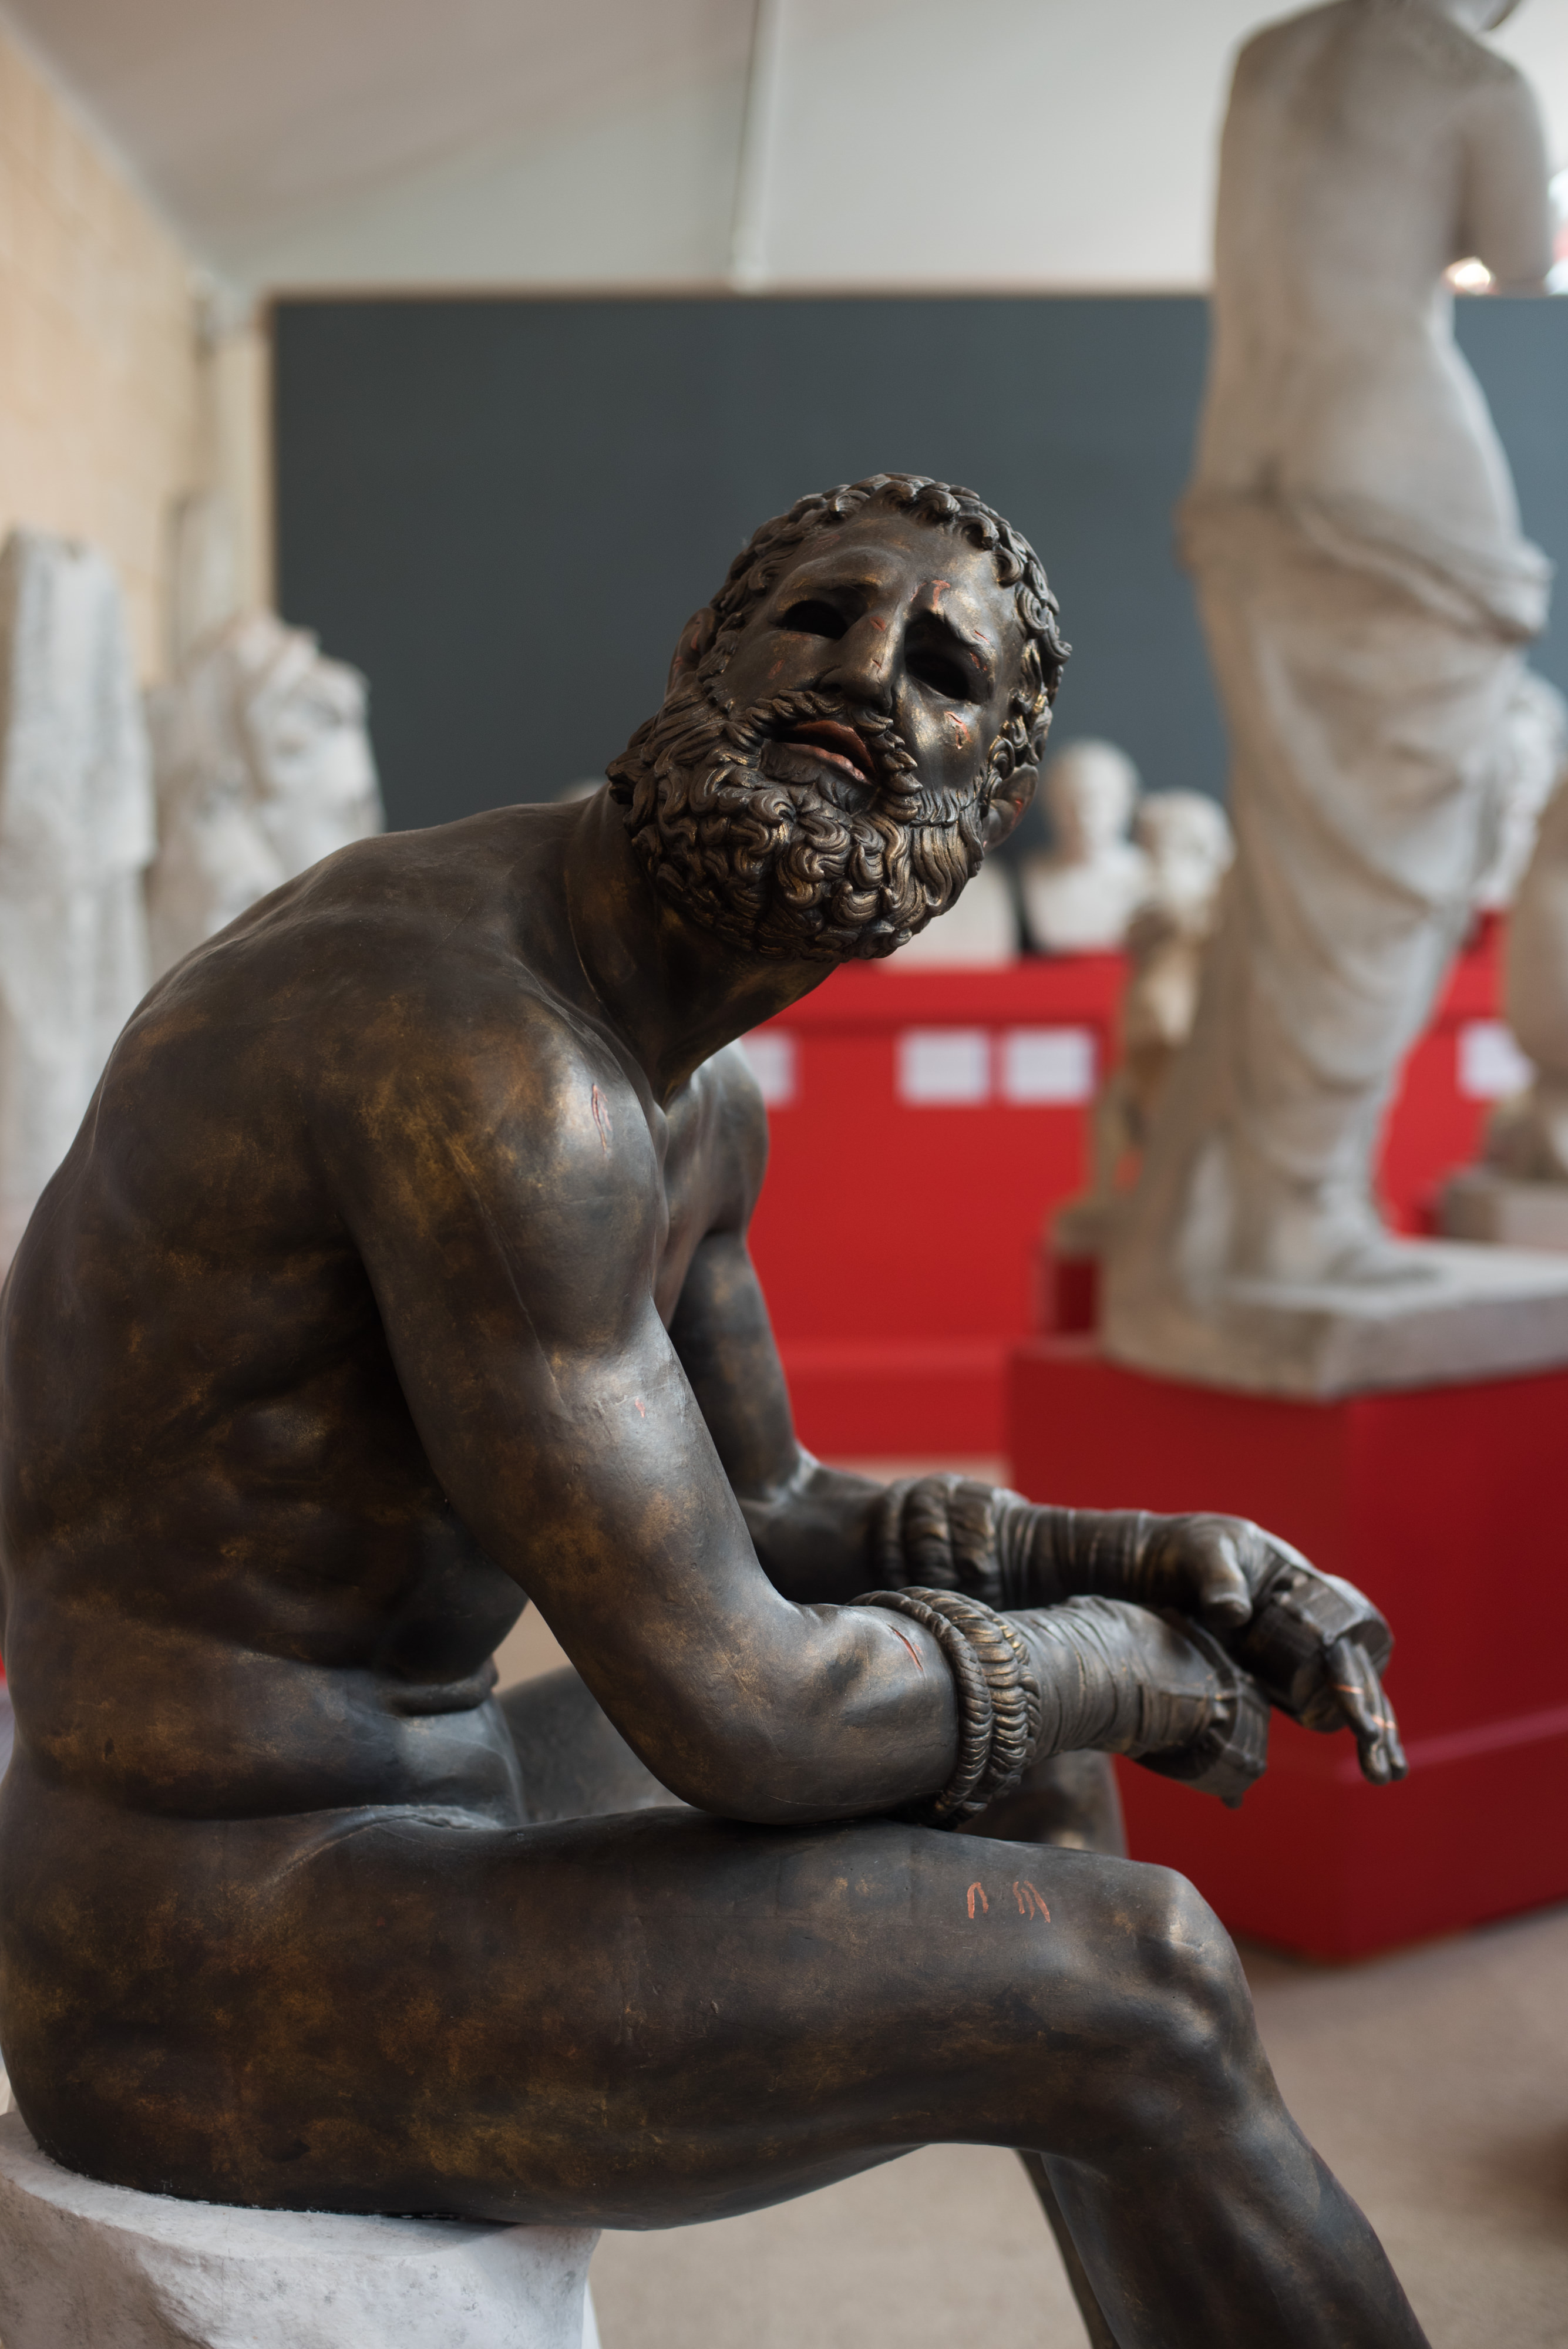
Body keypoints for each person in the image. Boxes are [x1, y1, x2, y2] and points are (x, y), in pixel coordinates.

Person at [0, 476, 1424, 2349]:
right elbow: (747, 1714)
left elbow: (764, 1512)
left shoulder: (681, 1096)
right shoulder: (486, 1059)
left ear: (976, 810)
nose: (855, 674)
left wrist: (1156, 1557)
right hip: (189, 1943)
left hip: (402, 1800)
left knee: (1021, 1769)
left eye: (934, 668)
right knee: (1139, 1984)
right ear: (699, 654)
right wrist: (1117, 1663)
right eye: (817, 615)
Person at [1106, 0, 1553, 1372]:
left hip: (1249, 467)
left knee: (1303, 870)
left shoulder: (1269, 55)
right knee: (1387, 875)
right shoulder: (1474, 77)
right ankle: (1298, 1209)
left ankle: (1232, 1219)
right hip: (1400, 486)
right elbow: (1528, 261)